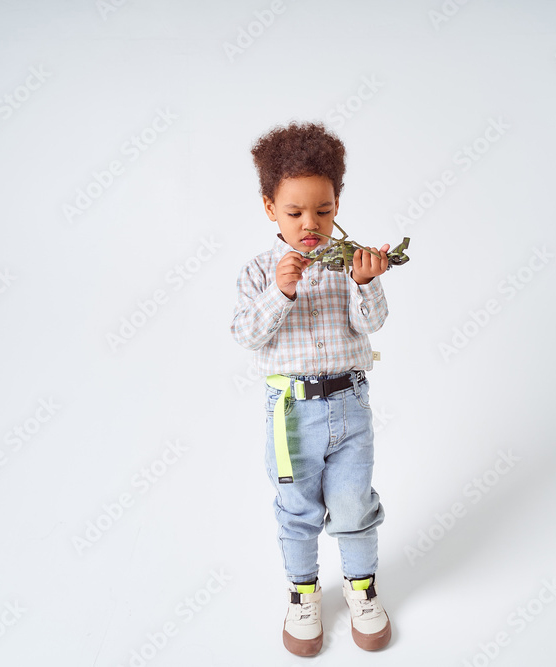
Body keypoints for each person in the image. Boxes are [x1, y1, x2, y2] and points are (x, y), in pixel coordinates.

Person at [231, 120, 393, 657]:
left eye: (323, 211)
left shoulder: (350, 264)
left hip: (350, 405)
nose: (310, 224)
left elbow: (372, 325)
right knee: (296, 507)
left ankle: (361, 587)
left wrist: (367, 283)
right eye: (295, 212)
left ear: (338, 204)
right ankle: (302, 595)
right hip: (292, 414)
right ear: (269, 208)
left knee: (353, 502)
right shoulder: (259, 271)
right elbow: (248, 335)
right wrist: (281, 292)